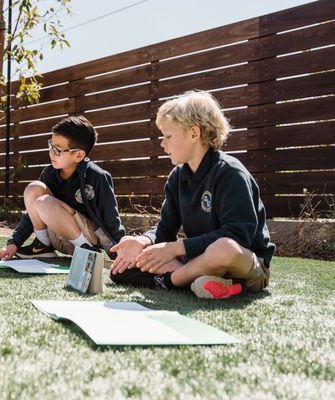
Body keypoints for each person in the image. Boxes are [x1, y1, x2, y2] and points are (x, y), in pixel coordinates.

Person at [110, 91, 275, 299]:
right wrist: (143, 241)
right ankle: (203, 283)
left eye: (168, 136)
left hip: (243, 263)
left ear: (194, 134)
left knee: (224, 248)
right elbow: (165, 229)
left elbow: (238, 236)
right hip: (196, 261)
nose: (163, 143)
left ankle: (171, 281)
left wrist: (175, 248)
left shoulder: (231, 173)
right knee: (127, 265)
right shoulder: (177, 177)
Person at [0, 116, 125, 260]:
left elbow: (111, 219)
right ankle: (42, 245)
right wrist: (14, 242)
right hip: (57, 237)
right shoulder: (49, 173)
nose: (51, 152)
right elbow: (30, 214)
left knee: (43, 202)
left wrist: (119, 253)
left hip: (86, 238)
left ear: (78, 155)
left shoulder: (98, 176)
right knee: (33, 189)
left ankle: (86, 250)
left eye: (57, 149)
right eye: (51, 145)